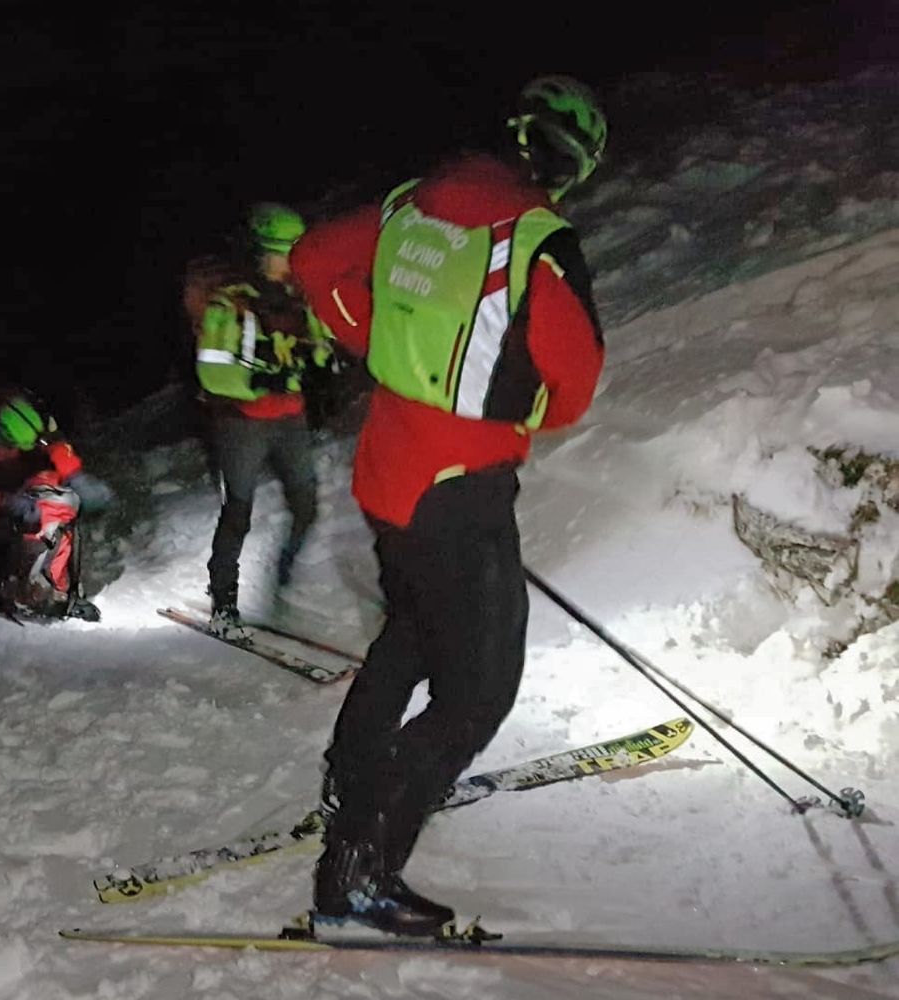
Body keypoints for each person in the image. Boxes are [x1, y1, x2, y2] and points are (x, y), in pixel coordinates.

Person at [288, 75, 609, 936]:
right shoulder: (537, 239)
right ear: (570, 167)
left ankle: (352, 775)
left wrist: (380, 340)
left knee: (416, 633)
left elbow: (315, 259)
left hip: (389, 474)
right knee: (477, 692)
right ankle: (356, 874)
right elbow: (571, 387)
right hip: (457, 490)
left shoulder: (412, 204)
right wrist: (491, 401)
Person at [192, 202, 334, 636]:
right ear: (257, 252)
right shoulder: (230, 302)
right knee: (238, 512)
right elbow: (211, 368)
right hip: (243, 422)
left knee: (306, 506)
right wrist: (256, 385)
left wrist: (321, 359)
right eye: (280, 252)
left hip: (290, 417)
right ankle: (223, 601)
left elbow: (319, 340)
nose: (288, 261)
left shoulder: (297, 296)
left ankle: (283, 582)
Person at [0, 385, 114, 620]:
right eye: (10, 448)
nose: (15, 452)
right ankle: (5, 584)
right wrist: (6, 501)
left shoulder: (27, 414)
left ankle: (46, 589)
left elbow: (54, 443)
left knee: (53, 502)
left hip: (14, 485)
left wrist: (74, 475)